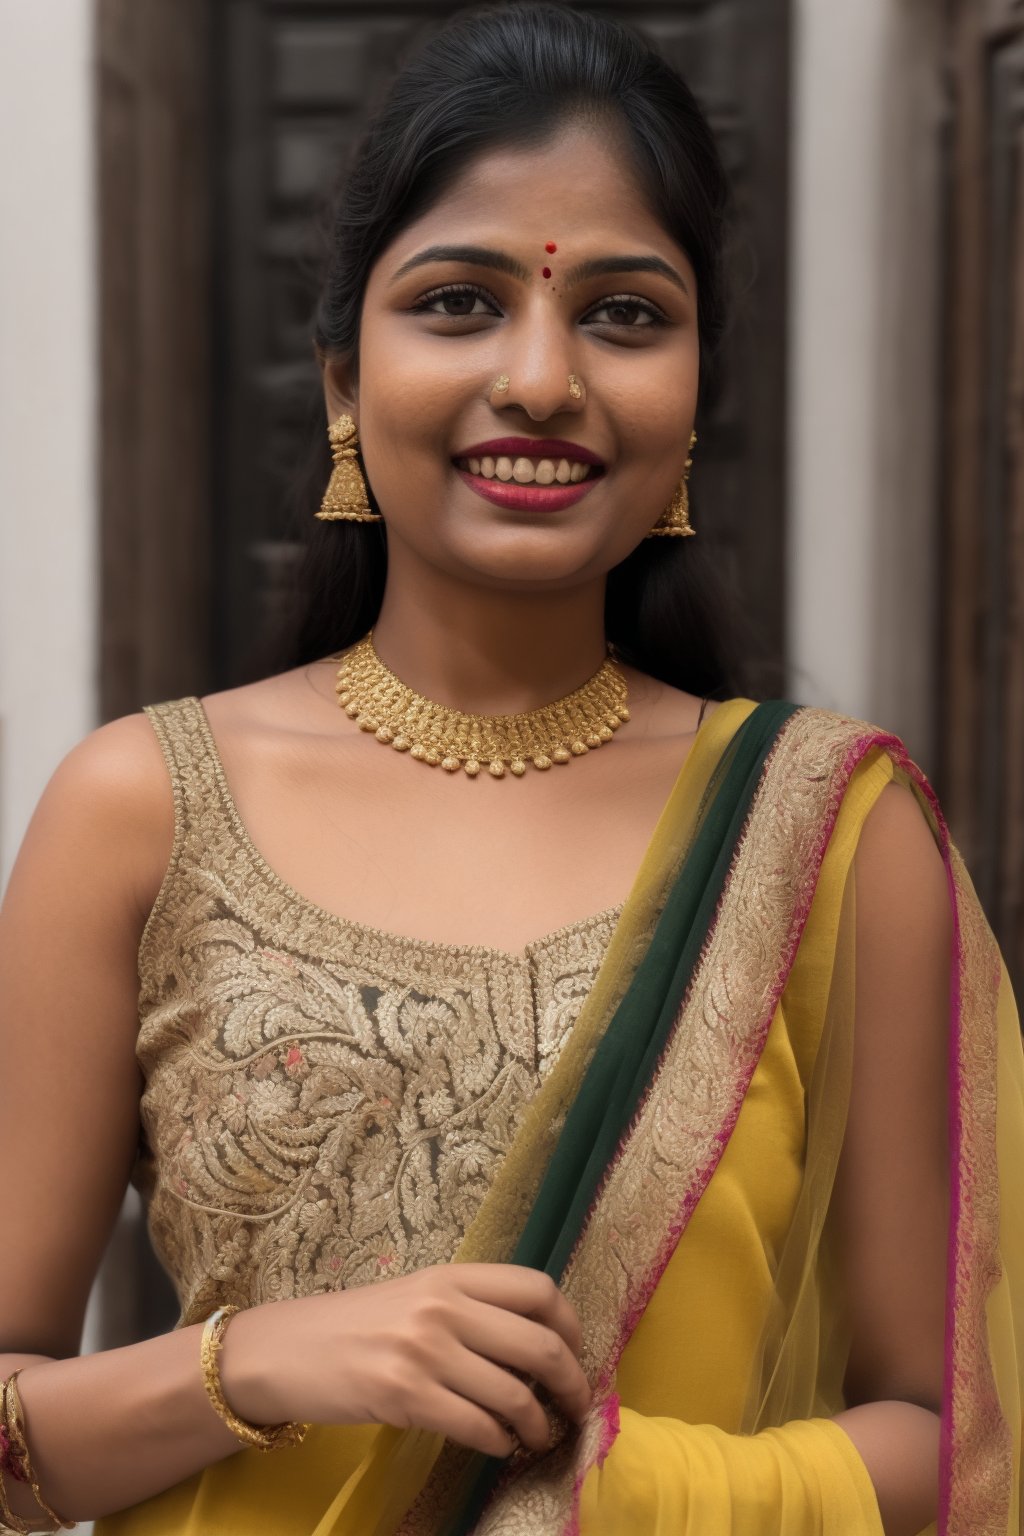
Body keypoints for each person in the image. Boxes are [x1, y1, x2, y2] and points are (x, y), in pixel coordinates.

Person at [1, 5, 1021, 1534]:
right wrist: (259, 1363)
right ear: (345, 379)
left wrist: (628, 1491)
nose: (543, 379)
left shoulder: (827, 834)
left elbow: (960, 1441)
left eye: (623, 313)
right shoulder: (137, 809)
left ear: (693, 395)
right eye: (460, 303)